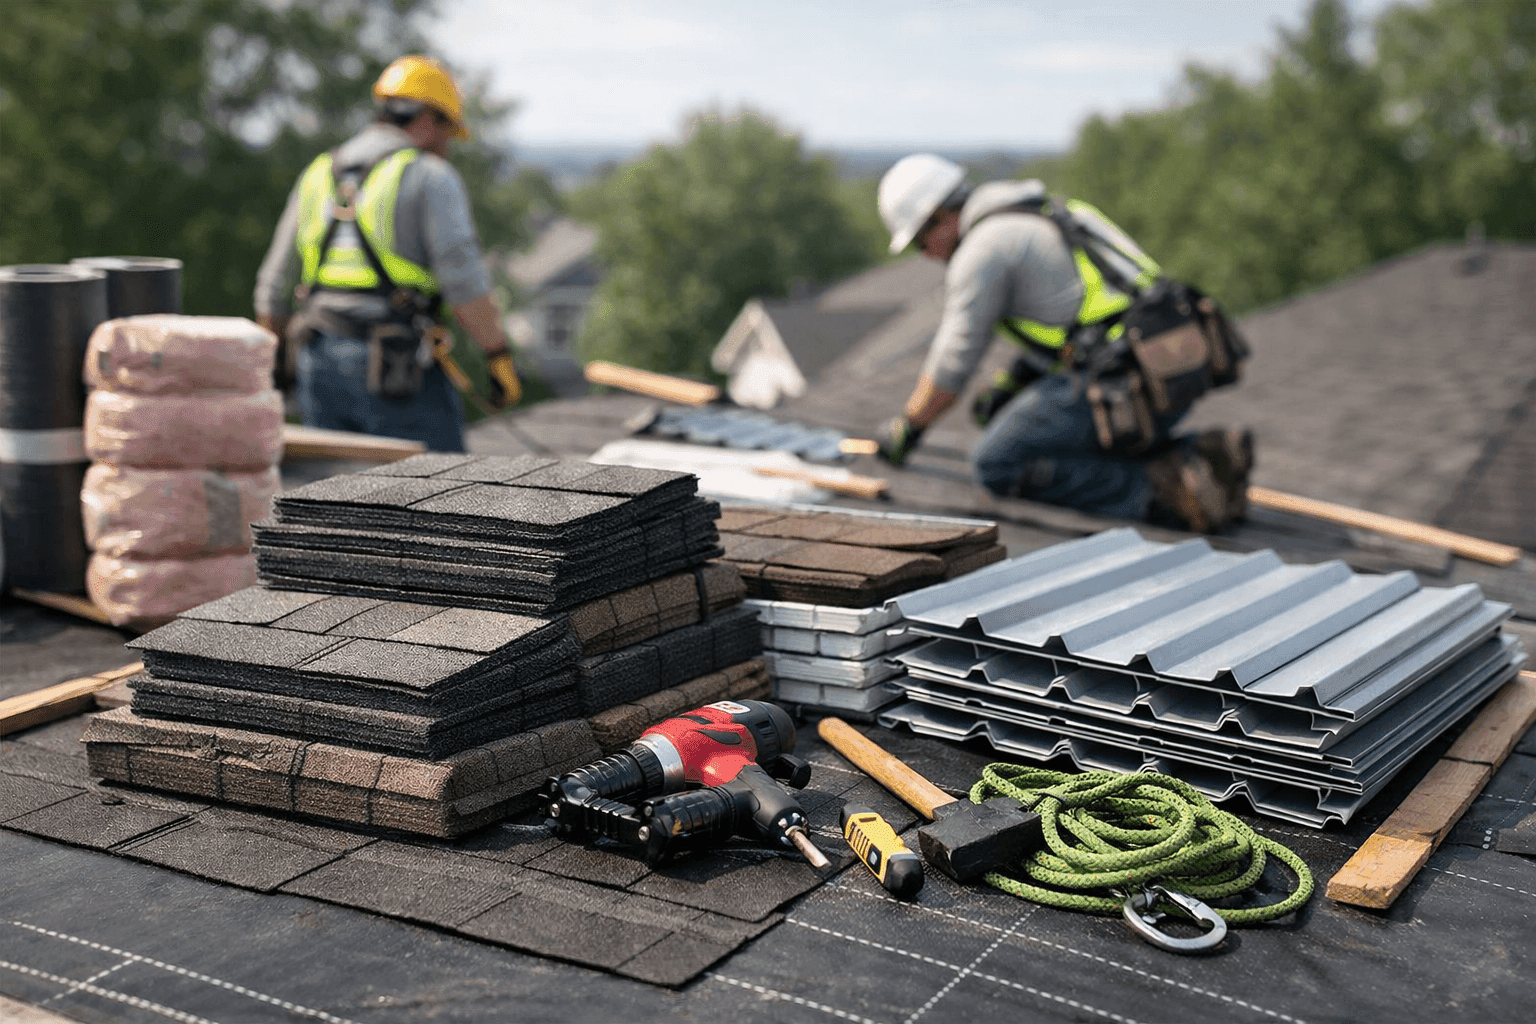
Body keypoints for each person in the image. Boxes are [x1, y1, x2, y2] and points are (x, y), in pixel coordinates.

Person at [872, 154, 1252, 533]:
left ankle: (1172, 490)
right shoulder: (1051, 209)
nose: (926, 255)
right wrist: (1017, 379)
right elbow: (1084, 317)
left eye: (920, 242)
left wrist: (909, 427)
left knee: (996, 463)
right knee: (1038, 427)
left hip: (1125, 390)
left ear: (941, 217)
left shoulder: (980, 251)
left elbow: (952, 364)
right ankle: (1205, 458)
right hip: (1170, 372)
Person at [255, 55, 520, 452]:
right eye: (448, 130)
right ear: (428, 120)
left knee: (334, 486)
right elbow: (465, 285)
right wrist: (497, 356)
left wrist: (271, 368)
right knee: (439, 485)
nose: (448, 145)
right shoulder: (430, 176)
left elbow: (272, 287)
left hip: (318, 360)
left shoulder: (318, 172)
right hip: (396, 371)